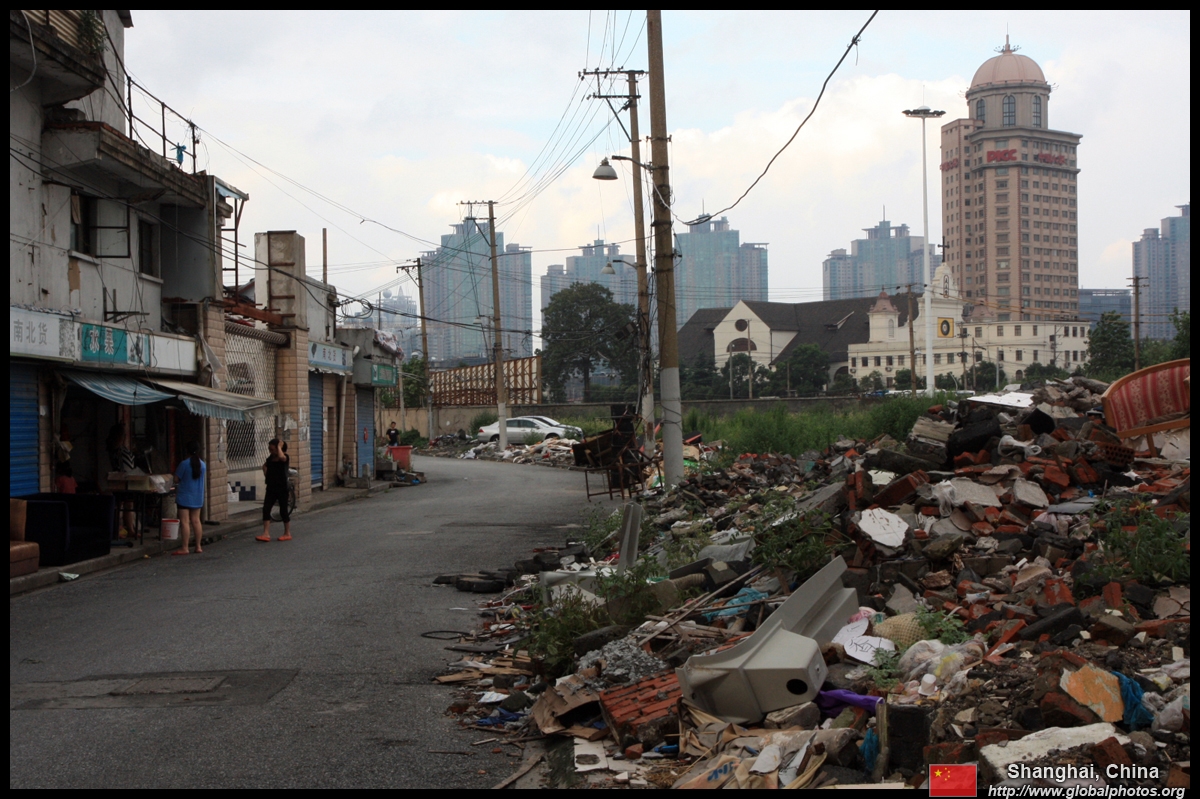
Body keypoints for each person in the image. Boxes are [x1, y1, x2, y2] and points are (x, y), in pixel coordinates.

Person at [172, 442, 206, 555]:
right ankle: (198, 546)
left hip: (184, 496)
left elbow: (176, 479)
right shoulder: (203, 465)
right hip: (198, 496)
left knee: (185, 522)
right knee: (196, 520)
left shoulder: (184, 464)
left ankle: (185, 548)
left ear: (187, 451)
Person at [257, 439, 292, 542]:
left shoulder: (285, 457)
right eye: (270, 449)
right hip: (271, 487)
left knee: (283, 510)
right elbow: (264, 466)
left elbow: (281, 457)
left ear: (279, 449)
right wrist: (266, 474)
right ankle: (266, 533)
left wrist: (279, 447)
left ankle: (287, 533)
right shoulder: (271, 458)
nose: (271, 452)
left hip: (282, 488)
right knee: (266, 508)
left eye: (272, 449)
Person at [106, 421, 136, 535]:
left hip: (122, 480)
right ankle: (124, 529)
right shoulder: (118, 451)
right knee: (125, 504)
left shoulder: (116, 449)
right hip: (124, 480)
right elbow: (125, 468)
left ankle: (124, 528)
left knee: (123, 504)